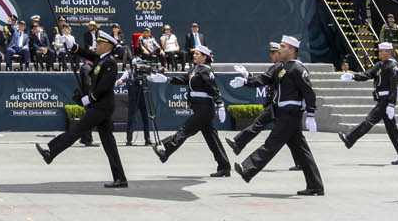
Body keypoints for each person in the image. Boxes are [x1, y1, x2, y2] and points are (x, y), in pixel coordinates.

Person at [36, 30, 129, 188]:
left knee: (77, 129)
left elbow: (105, 87)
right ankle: (121, 178)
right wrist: (73, 46)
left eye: (99, 43)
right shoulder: (100, 59)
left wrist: (90, 98)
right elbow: (87, 54)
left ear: (107, 46)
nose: (96, 46)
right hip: (101, 107)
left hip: (102, 107)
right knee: (109, 143)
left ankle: (51, 152)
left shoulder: (110, 63)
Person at [235, 34, 324, 196]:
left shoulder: (297, 68)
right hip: (283, 112)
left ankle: (248, 169)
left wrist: (310, 113)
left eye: (283, 46)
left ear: (292, 50)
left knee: (272, 143)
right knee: (302, 151)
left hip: (291, 112)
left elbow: (308, 92)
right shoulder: (282, 67)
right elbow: (265, 78)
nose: (280, 49)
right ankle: (315, 186)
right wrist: (246, 80)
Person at [150, 44, 230, 176]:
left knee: (185, 129)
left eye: (197, 54)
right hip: (199, 106)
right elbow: (184, 80)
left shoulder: (206, 70)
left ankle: (166, 151)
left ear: (204, 57)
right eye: (194, 53)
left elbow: (213, 88)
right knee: (212, 139)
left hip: (205, 107)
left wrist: (220, 104)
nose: (194, 55)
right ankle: (224, 167)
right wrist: (167, 79)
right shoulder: (195, 69)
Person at [336, 41, 398, 164]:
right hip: (381, 100)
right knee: (392, 130)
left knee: (369, 120)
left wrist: (392, 104)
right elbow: (367, 74)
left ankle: (350, 138)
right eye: (379, 51)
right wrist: (352, 76)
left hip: (386, 101)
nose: (379, 53)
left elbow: (393, 87)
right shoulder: (380, 65)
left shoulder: (393, 66)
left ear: (388, 52)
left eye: (382, 51)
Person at [229, 42, 281, 155]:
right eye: (270, 52)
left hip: (276, 105)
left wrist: (246, 80)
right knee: (292, 136)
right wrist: (248, 76)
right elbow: (264, 79)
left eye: (273, 52)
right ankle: (238, 144)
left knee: (258, 124)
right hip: (274, 105)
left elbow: (264, 79)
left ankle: (238, 143)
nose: (271, 55)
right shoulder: (277, 67)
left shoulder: (279, 66)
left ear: (280, 53)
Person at [117, 57, 155, 146]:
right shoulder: (128, 72)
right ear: (134, 65)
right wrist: (121, 81)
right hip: (133, 99)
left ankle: (147, 138)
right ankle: (129, 139)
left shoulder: (144, 73)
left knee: (146, 118)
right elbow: (119, 82)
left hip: (143, 98)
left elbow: (152, 78)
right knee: (131, 119)